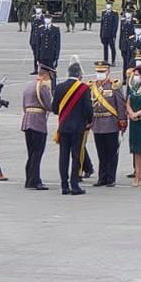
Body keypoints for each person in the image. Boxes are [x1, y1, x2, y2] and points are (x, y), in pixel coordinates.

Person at [52, 58, 94, 195]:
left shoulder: (59, 87)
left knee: (63, 156)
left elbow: (54, 108)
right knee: (76, 156)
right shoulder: (84, 88)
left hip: (63, 126)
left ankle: (64, 185)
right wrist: (89, 120)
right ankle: (74, 185)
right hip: (78, 127)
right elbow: (88, 109)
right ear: (80, 74)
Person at [89, 61, 127, 188]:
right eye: (98, 72)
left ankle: (110, 177)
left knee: (111, 152)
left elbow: (120, 104)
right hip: (97, 123)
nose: (100, 74)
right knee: (101, 152)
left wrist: (122, 120)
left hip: (111, 122)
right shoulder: (92, 86)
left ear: (108, 72)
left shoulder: (114, 85)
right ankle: (102, 177)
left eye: (102, 72)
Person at [21, 63, 53, 190]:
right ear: (46, 75)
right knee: (37, 152)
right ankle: (35, 180)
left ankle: (29, 179)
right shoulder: (43, 86)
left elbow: (24, 105)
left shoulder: (29, 86)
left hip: (27, 120)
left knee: (31, 152)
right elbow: (49, 106)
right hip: (38, 122)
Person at [36, 14, 61, 89]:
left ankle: (53, 89)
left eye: (48, 18)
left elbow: (58, 45)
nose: (47, 20)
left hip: (51, 56)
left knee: (52, 74)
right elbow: (38, 45)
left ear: (51, 19)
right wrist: (37, 57)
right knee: (42, 74)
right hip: (42, 56)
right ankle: (42, 88)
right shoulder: (40, 29)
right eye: (46, 18)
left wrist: (56, 57)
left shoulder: (55, 29)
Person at [100, 0, 119, 65]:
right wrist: (101, 34)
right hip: (104, 34)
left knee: (112, 47)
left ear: (111, 6)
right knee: (105, 47)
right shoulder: (103, 13)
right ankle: (106, 60)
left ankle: (113, 61)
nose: (108, 6)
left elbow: (115, 25)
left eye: (109, 5)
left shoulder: (114, 13)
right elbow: (102, 25)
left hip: (111, 34)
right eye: (107, 4)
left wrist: (114, 34)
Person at [28, 5, 45, 74]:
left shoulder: (44, 18)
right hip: (34, 40)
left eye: (39, 8)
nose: (38, 9)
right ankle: (36, 69)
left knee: (42, 56)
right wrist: (31, 40)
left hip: (41, 40)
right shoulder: (33, 17)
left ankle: (43, 69)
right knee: (35, 55)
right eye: (36, 8)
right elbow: (32, 30)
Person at [119, 10, 135, 75]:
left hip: (131, 45)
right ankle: (124, 77)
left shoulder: (134, 22)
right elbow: (121, 34)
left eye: (129, 13)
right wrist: (120, 45)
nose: (128, 14)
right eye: (127, 13)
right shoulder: (123, 22)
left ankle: (130, 77)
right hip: (124, 45)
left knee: (131, 63)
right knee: (125, 63)